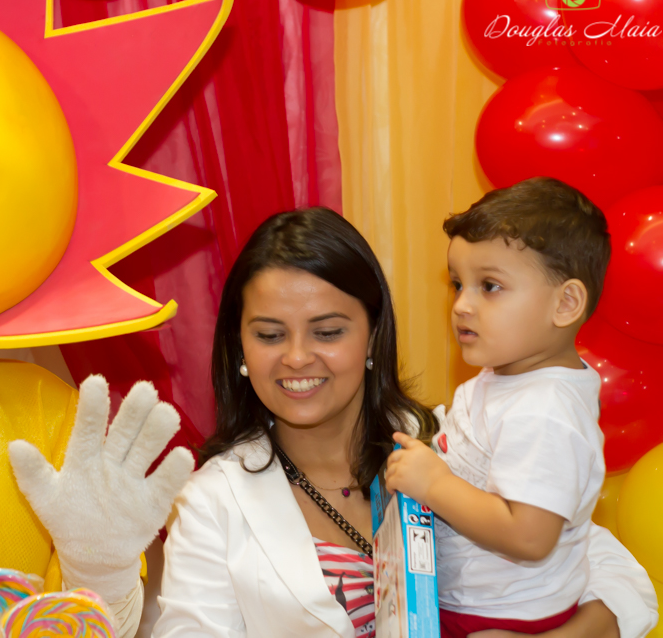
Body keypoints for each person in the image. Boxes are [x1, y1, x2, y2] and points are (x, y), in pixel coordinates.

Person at [153, 206, 657, 638]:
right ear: (240, 346)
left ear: (373, 336)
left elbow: (610, 571)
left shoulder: (443, 443)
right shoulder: (211, 503)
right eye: (269, 335)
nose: (298, 357)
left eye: (327, 332)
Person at [385, 178, 614, 637]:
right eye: (458, 284)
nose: (461, 305)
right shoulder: (509, 376)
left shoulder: (545, 410)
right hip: (469, 598)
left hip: (502, 616)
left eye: (489, 286)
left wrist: (434, 483)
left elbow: (529, 536)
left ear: (566, 303)